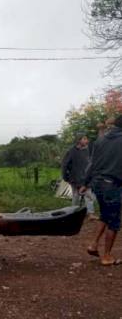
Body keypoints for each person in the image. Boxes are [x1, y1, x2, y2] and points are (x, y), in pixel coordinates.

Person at [81, 114, 122, 266]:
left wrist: (85, 183)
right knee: (114, 222)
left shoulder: (100, 139)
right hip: (112, 185)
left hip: (97, 184)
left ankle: (93, 244)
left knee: (105, 215)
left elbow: (92, 163)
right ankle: (107, 256)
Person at [61, 133, 96, 218]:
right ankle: (73, 212)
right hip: (75, 178)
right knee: (76, 196)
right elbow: (64, 165)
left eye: (86, 139)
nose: (86, 141)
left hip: (86, 179)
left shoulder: (88, 150)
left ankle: (90, 213)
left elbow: (91, 164)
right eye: (84, 139)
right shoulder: (71, 151)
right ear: (79, 140)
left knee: (88, 196)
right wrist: (65, 177)